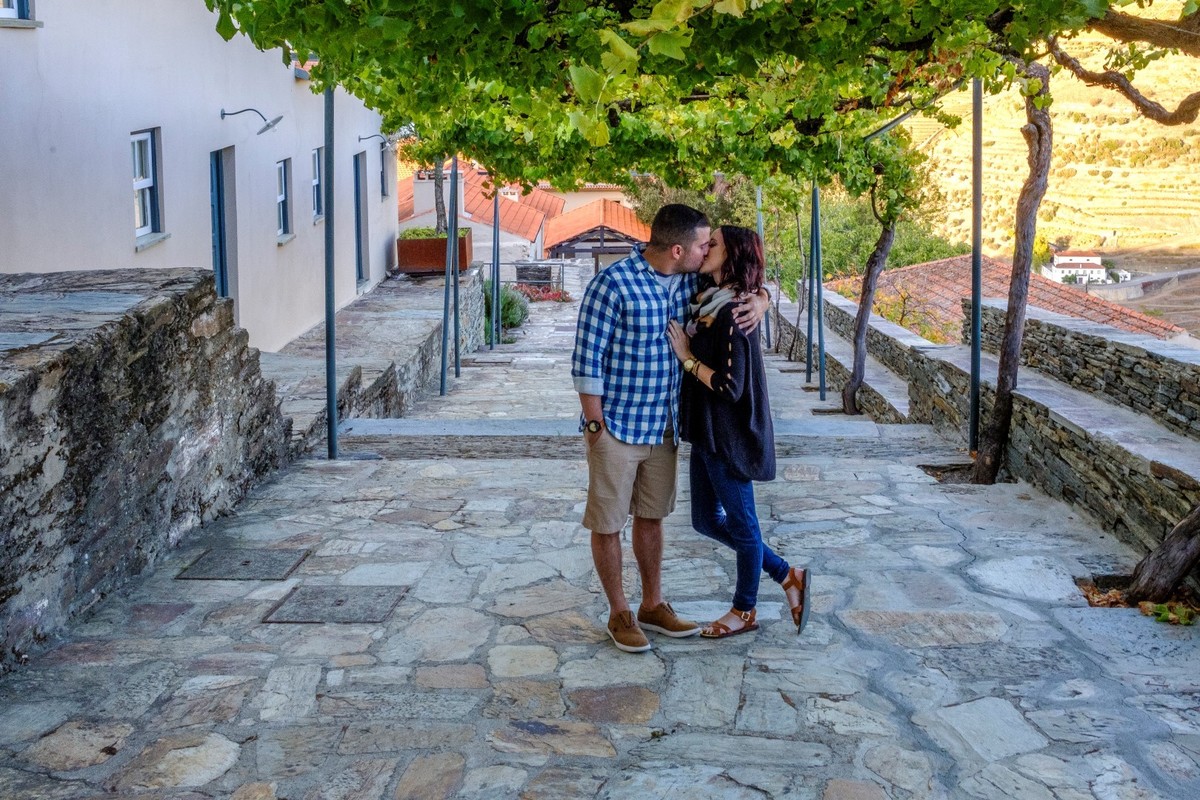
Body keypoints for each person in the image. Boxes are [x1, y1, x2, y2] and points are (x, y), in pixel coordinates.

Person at [572, 204, 768, 653]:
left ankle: (652, 605)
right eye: (702, 245)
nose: (706, 252)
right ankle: (619, 611)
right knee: (607, 522)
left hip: (664, 427)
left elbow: (743, 279)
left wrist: (763, 299)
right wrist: (596, 424)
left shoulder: (691, 281)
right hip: (617, 427)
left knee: (652, 517)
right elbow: (586, 363)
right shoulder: (612, 284)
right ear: (678, 249)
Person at [666, 225, 811, 638]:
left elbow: (732, 388)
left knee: (744, 528)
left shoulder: (734, 313)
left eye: (715, 245)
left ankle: (744, 610)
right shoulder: (710, 298)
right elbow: (760, 285)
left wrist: (687, 357)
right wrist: (765, 296)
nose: (706, 249)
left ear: (731, 258)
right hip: (707, 433)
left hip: (728, 436)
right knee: (705, 522)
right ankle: (788, 575)